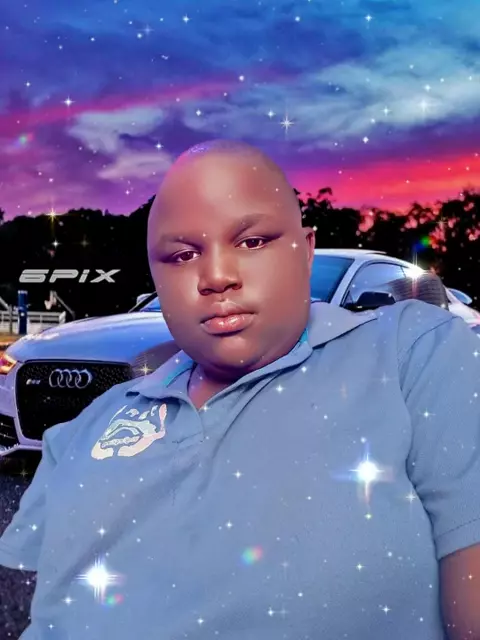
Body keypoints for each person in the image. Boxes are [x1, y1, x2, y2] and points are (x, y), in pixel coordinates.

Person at [1, 140, 480, 639]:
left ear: (306, 250)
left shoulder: (413, 352)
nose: (216, 277)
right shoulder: (80, 432)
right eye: (183, 254)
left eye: (252, 242)